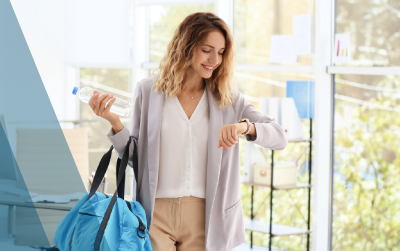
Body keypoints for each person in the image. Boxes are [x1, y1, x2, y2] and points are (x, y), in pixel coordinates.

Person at [87, 12, 288, 251]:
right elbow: (136, 159)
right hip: (155, 213)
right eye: (207, 50)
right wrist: (115, 122)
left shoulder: (230, 100)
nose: (215, 59)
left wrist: (245, 126)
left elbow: (280, 136)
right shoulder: (149, 92)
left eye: (221, 52)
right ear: (186, 47)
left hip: (207, 216)